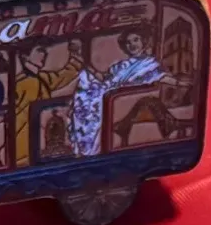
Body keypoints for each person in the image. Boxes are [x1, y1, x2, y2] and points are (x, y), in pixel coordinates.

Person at [68, 26, 191, 157]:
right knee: (85, 85)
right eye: (128, 42)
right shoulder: (121, 65)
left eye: (135, 40)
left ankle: (91, 147)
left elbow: (161, 77)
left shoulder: (149, 63)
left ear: (143, 41)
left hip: (120, 97)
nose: (132, 45)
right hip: (106, 90)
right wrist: (88, 69)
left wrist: (180, 83)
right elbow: (105, 79)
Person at [14, 39, 84, 166]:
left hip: (37, 150)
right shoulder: (23, 83)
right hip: (23, 153)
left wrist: (74, 54)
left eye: (44, 50)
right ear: (25, 56)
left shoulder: (40, 78)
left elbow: (64, 75)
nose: (45, 54)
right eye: (40, 50)